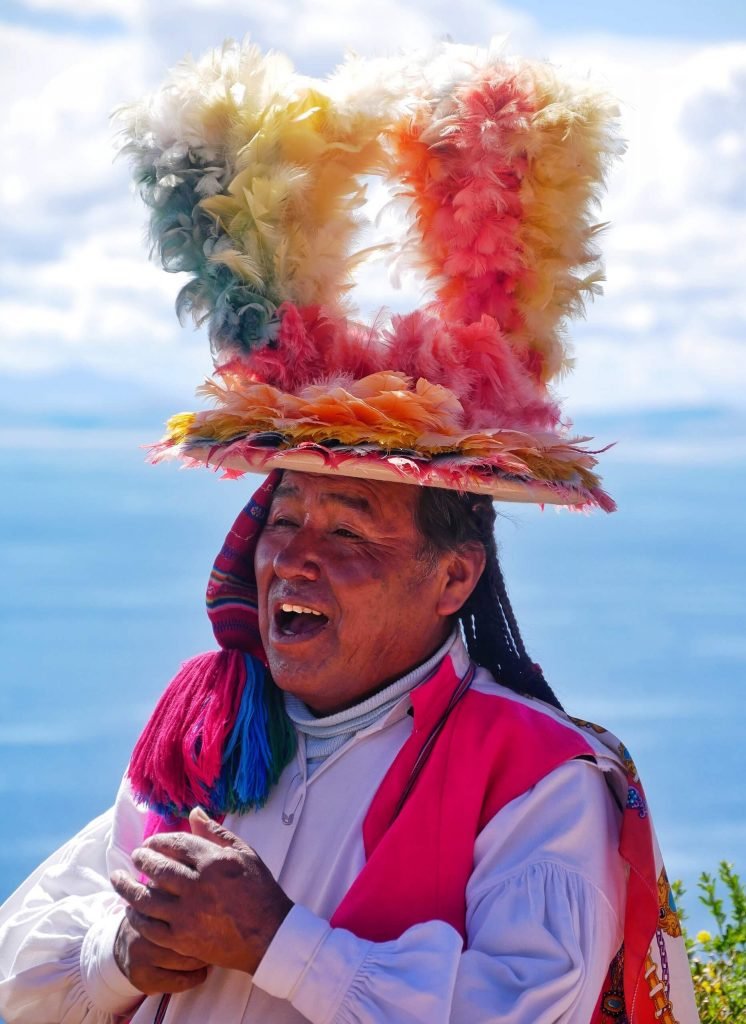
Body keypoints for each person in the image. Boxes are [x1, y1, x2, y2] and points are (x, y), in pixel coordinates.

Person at [0, 39, 698, 1024]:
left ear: (454, 576)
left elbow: (518, 1008)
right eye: (284, 518)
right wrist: (123, 952)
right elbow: (17, 984)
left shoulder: (534, 778)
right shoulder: (203, 732)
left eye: (350, 528)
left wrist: (274, 941)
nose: (293, 553)